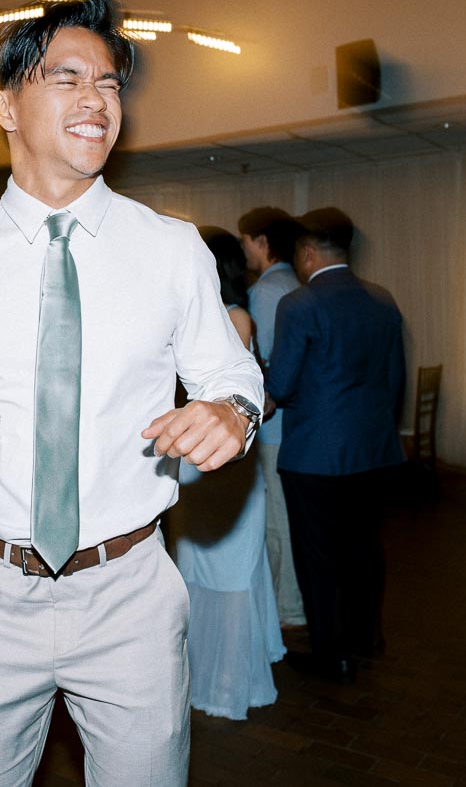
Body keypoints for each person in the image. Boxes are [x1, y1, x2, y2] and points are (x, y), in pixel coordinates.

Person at [0, 0, 263, 785]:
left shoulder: (171, 249)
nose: (97, 100)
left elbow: (233, 374)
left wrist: (231, 412)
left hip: (131, 594)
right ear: (4, 104)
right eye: (68, 78)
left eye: (110, 84)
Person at [265, 207, 405, 685]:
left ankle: (332, 654)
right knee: (365, 549)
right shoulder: (383, 301)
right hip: (373, 450)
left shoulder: (299, 305)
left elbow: (281, 385)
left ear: (306, 254)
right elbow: (395, 382)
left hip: (316, 455)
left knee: (318, 556)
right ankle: (365, 639)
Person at [171, 227, 285, 720]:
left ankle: (227, 681)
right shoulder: (206, 317)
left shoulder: (234, 318)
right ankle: (200, 672)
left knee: (229, 571)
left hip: (222, 463)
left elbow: (216, 394)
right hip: (196, 463)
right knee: (197, 568)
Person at [237, 206, 307, 631]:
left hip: (273, 428)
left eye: (246, 240)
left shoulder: (263, 294)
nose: (244, 249)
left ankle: (288, 608)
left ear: (262, 243)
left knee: (277, 522)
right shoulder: (294, 285)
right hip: (295, 427)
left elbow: (258, 367)